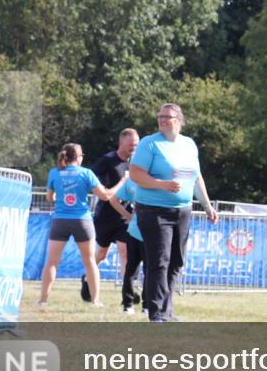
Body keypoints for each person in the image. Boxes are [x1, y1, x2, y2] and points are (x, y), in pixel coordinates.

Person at [130, 103, 219, 323]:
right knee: (160, 260)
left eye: (167, 117)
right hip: (153, 211)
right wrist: (162, 185)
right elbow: (135, 174)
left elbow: (196, 177)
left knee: (176, 262)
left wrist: (207, 206)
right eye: (159, 116)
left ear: (178, 120)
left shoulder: (189, 144)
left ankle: (168, 312)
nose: (161, 119)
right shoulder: (149, 144)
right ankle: (157, 313)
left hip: (182, 211)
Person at [38, 143, 123, 307]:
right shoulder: (86, 173)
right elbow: (105, 196)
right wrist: (122, 182)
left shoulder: (54, 173)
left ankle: (43, 300)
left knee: (52, 262)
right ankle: (96, 300)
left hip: (60, 220)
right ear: (79, 158)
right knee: (90, 261)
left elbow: (50, 198)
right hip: (82, 221)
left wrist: (61, 198)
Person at [92, 128, 140, 275]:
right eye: (131, 144)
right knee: (101, 254)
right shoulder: (108, 160)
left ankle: (127, 292)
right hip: (105, 215)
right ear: (121, 142)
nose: (134, 148)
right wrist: (102, 191)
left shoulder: (137, 163)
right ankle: (88, 277)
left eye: (137, 144)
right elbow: (90, 179)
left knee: (125, 252)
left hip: (125, 216)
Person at [110, 175, 146, 314]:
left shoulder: (132, 179)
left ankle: (128, 305)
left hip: (133, 229)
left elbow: (113, 200)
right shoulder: (157, 178)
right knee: (150, 269)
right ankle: (147, 306)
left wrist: (129, 216)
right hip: (151, 230)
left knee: (131, 269)